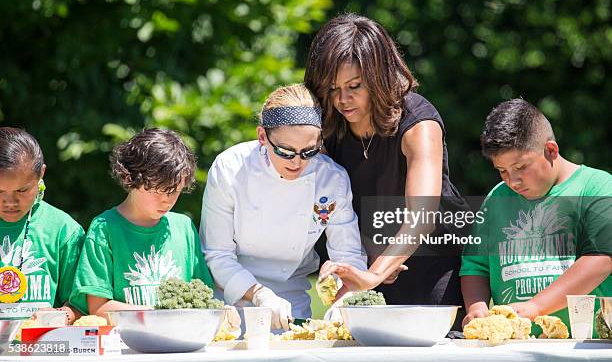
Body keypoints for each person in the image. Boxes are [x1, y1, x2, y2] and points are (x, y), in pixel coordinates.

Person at [305, 13, 468, 312]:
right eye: (332, 88)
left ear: (379, 76)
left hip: (433, 265)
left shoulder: (419, 122)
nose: (342, 99)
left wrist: (376, 272)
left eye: (355, 86)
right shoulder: (327, 128)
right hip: (368, 263)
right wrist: (365, 263)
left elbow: (423, 215)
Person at [201, 83, 367, 330]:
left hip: (293, 301)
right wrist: (259, 294)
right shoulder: (230, 168)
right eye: (285, 151)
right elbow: (217, 254)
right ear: (261, 137)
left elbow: (349, 255)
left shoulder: (332, 179)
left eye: (309, 151)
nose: (297, 163)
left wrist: (345, 298)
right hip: (231, 303)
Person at [460, 98, 612, 333]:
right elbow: (475, 266)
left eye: (521, 167)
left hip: (586, 345)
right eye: (502, 170)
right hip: (515, 346)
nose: (512, 180)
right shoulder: (496, 199)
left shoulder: (597, 188)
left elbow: (601, 260)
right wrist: (476, 307)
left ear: (551, 150)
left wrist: (536, 307)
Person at [71, 128, 215, 316]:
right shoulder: (104, 228)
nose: (167, 200)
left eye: (175, 191)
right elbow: (98, 307)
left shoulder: (184, 227)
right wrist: (158, 315)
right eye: (158, 190)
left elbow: (204, 299)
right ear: (131, 178)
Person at [0, 127, 85, 324]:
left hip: (43, 349)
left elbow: (82, 305)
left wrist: (61, 315)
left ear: (41, 175)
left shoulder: (64, 230)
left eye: (22, 190)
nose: (10, 202)